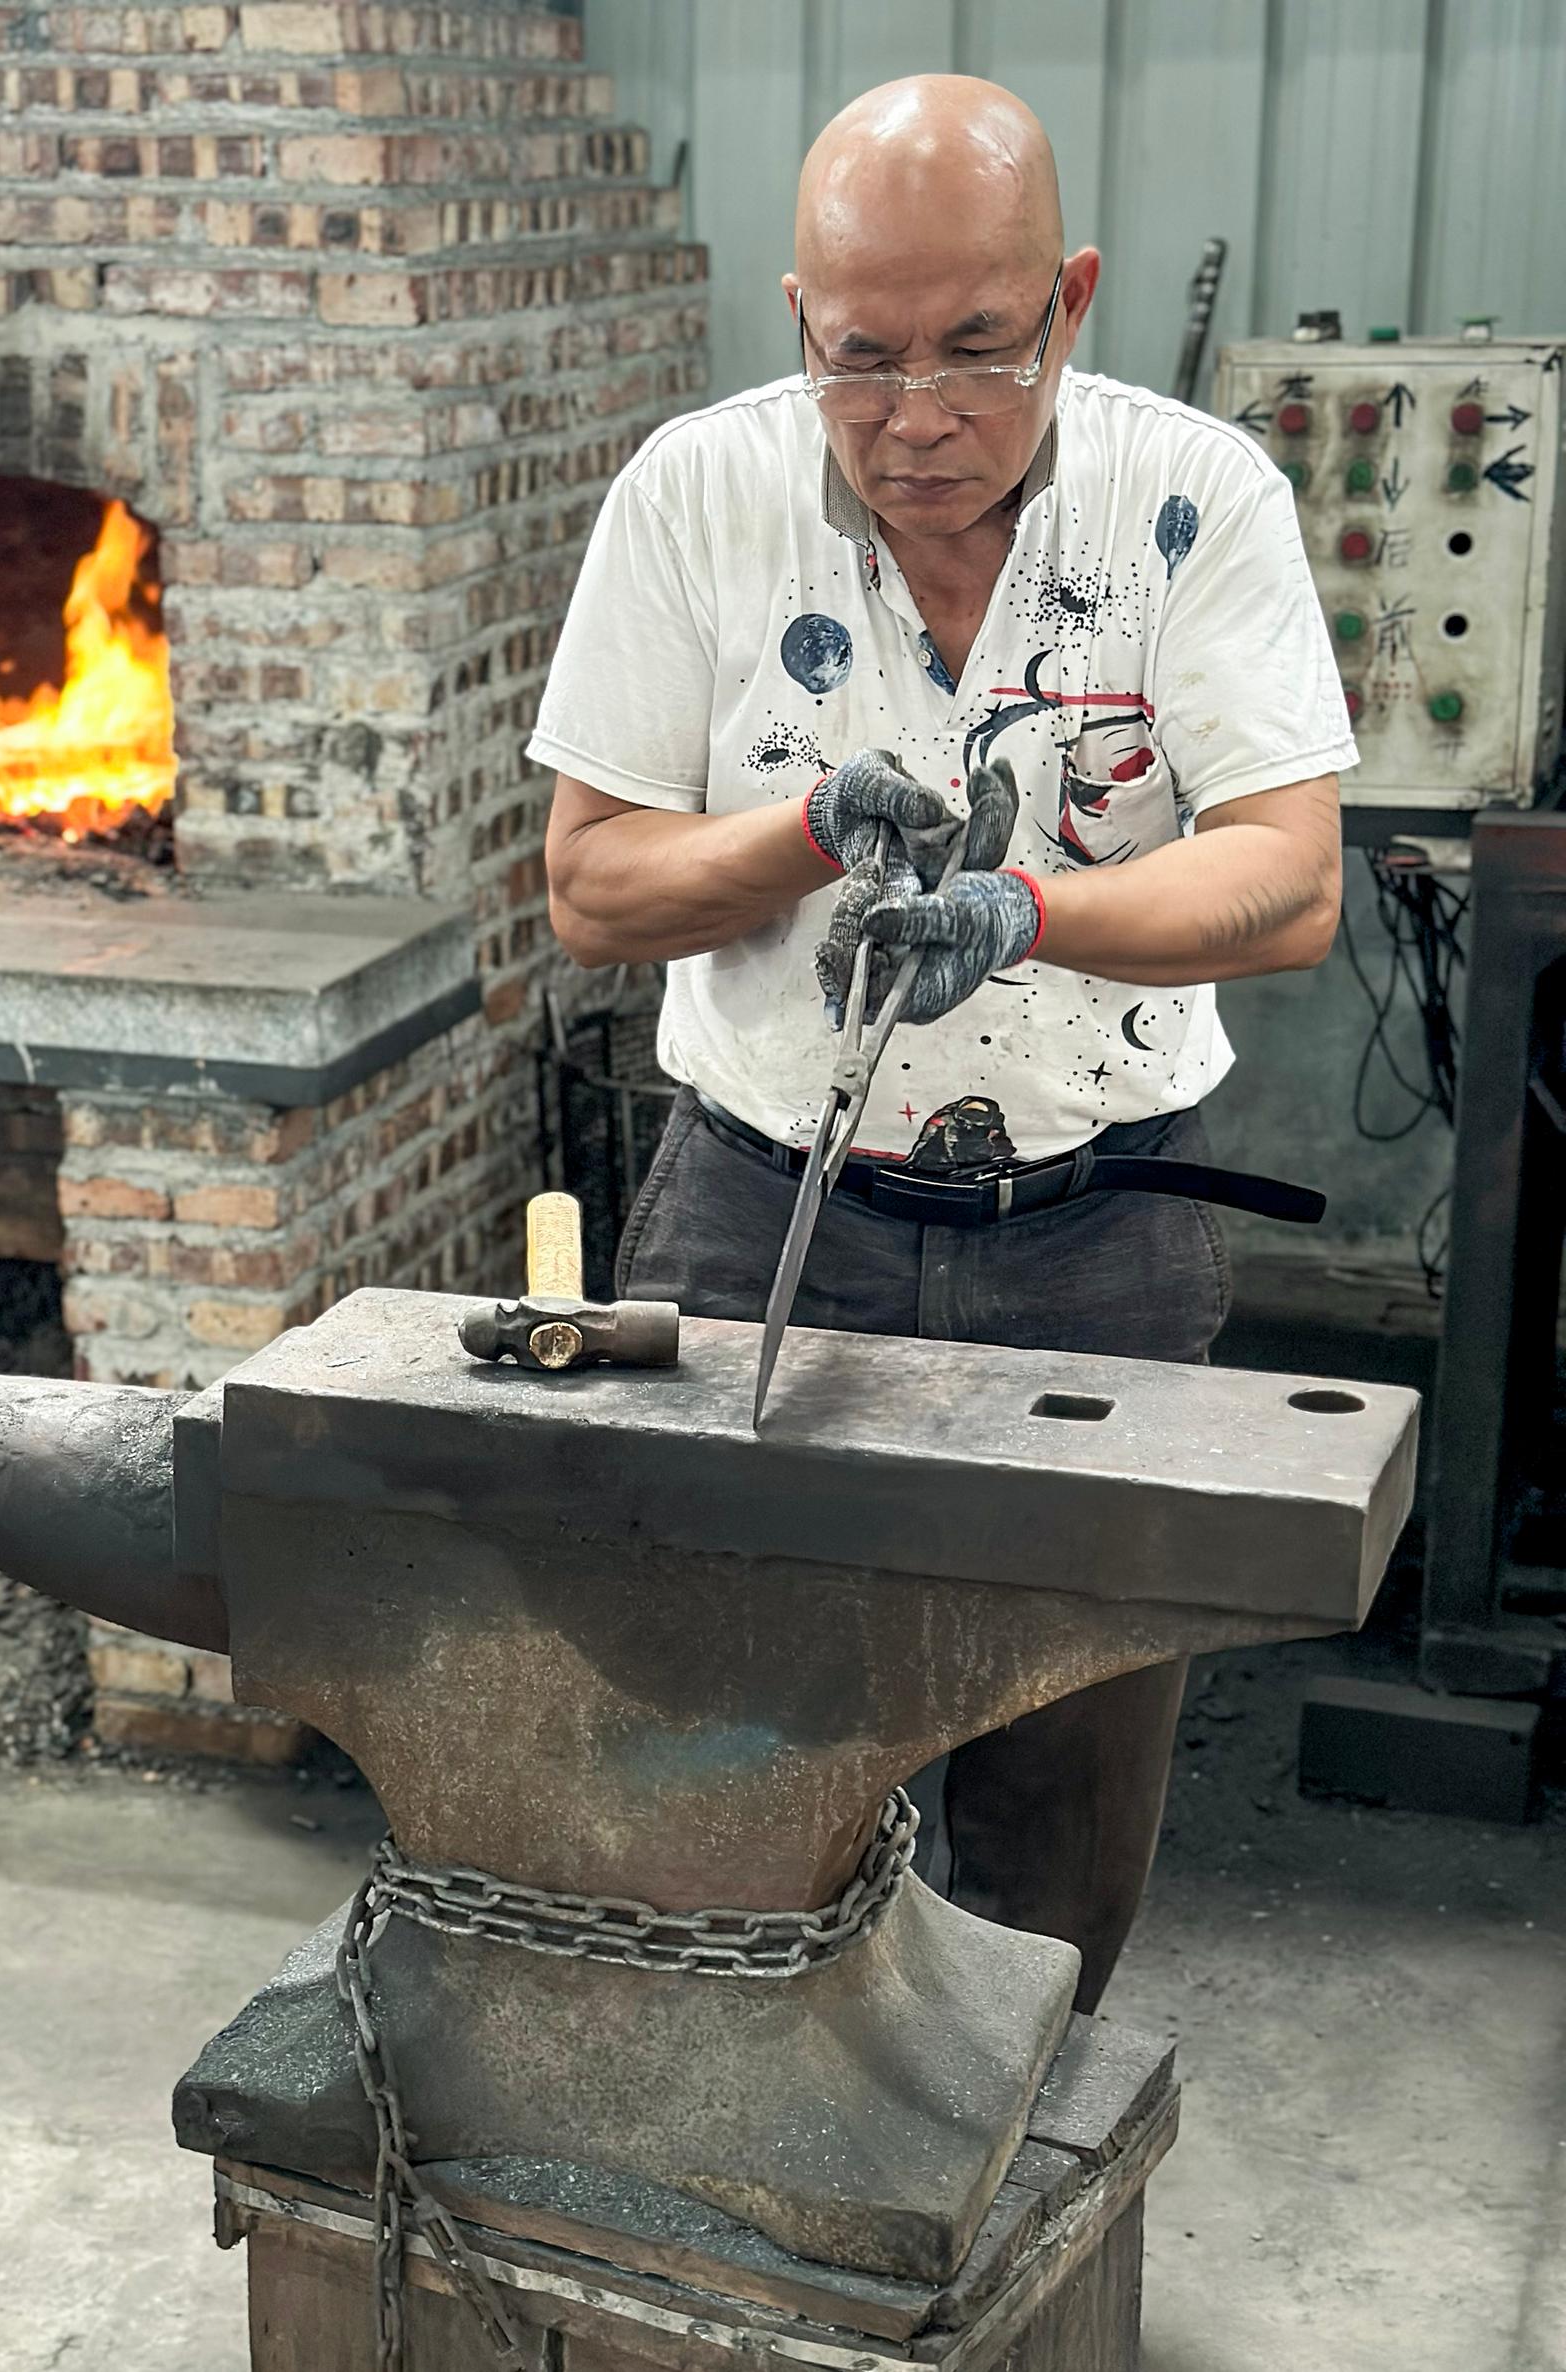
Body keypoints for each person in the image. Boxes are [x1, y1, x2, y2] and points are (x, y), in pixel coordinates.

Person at [531, 74, 1353, 2011]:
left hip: (1100, 1231)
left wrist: (1035, 908)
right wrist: (804, 827)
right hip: (762, 1216)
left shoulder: (1193, 498)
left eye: (978, 352)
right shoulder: (698, 494)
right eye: (861, 357)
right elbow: (592, 887)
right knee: (727, 1745)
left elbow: (1290, 877)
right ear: (797, 320)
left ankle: (1000, 2174)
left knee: (1057, 1794)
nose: (915, 417)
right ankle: (738, 2160)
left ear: (1067, 297)